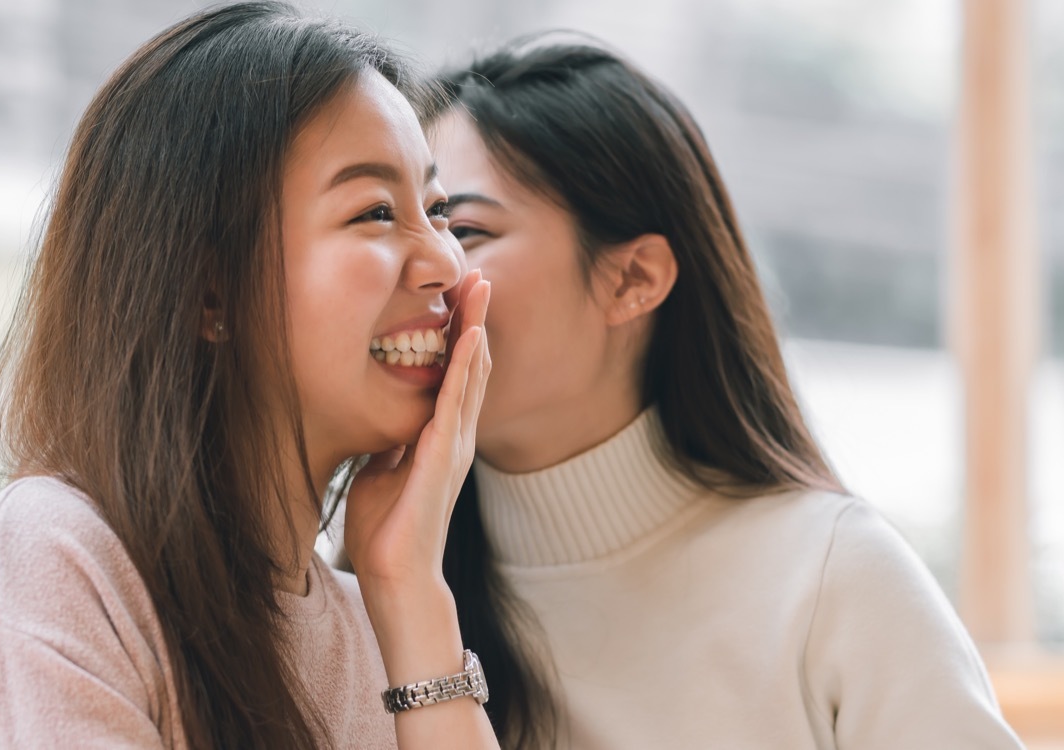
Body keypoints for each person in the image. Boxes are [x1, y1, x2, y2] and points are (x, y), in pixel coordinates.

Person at [0, 3, 499, 748]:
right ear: (209, 292)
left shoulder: (376, 624)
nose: (445, 261)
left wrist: (411, 592)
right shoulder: (55, 564)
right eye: (374, 211)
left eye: (437, 210)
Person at [430, 36, 1025, 749]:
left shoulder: (834, 581)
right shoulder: (386, 587)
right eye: (398, 222)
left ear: (634, 278)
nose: (426, 269)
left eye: (462, 229)